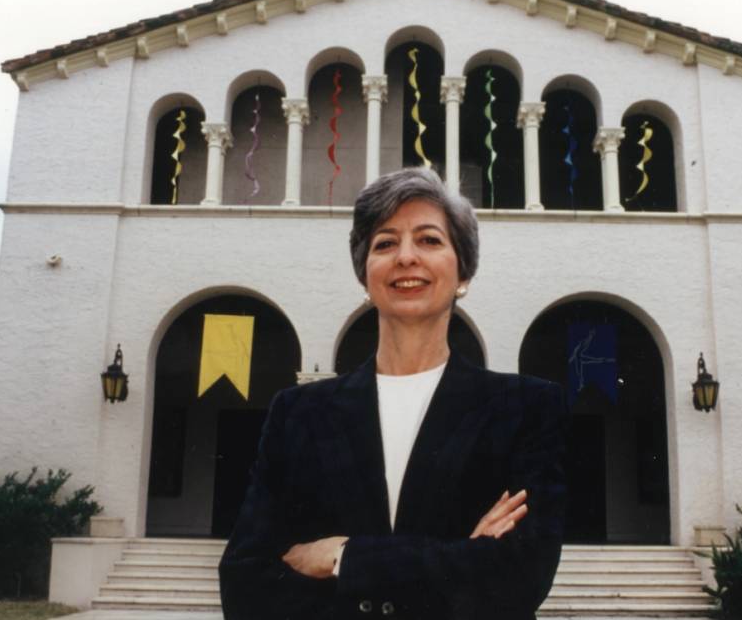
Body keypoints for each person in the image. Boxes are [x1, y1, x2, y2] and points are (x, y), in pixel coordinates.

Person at [219, 167, 568, 620]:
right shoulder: (299, 413)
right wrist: (460, 557)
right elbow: (245, 584)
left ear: (463, 271)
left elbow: (519, 577)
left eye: (428, 240)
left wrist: (344, 558)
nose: (406, 257)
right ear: (366, 277)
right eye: (385, 243)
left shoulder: (526, 408)